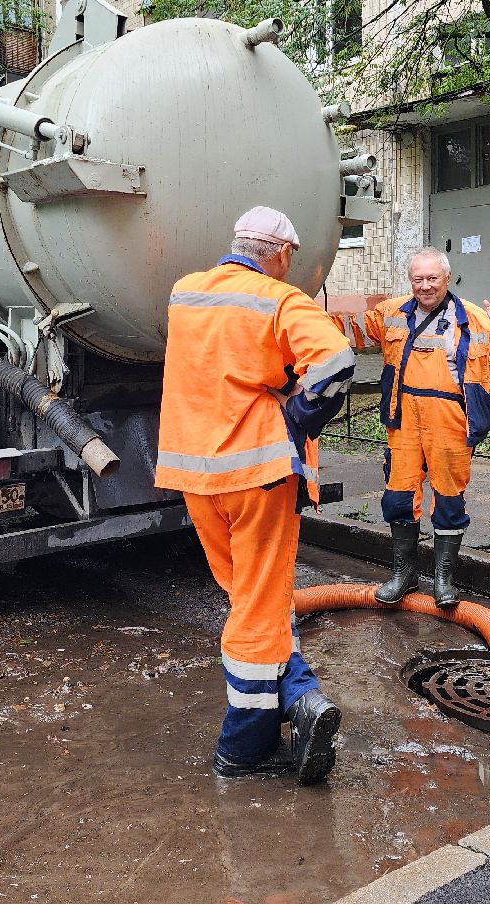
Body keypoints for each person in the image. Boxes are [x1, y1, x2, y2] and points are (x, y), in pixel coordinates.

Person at [155, 206, 356, 784]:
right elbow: (336, 361)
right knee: (258, 609)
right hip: (259, 476)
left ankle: (299, 695)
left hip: (195, 476)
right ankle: (245, 746)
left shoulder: (186, 293)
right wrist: (296, 415)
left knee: (247, 596)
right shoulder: (280, 299)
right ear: (282, 253)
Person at [335, 247, 490, 607]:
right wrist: (301, 312)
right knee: (399, 495)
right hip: (404, 417)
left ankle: (443, 579)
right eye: (418, 279)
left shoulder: (476, 318)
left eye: (432, 278)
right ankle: (404, 575)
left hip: (450, 419)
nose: (425, 286)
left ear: (447, 278)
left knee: (449, 498)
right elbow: (351, 329)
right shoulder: (391, 313)